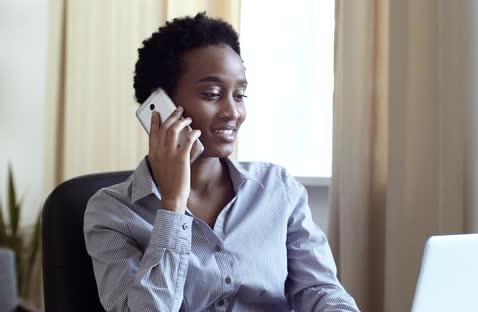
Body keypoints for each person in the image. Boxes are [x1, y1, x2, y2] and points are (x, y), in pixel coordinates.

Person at [83, 12, 358, 312]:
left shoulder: (278, 190)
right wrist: (173, 206)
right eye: (213, 94)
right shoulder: (111, 212)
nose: (233, 112)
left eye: (239, 95)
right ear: (158, 107)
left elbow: (319, 290)